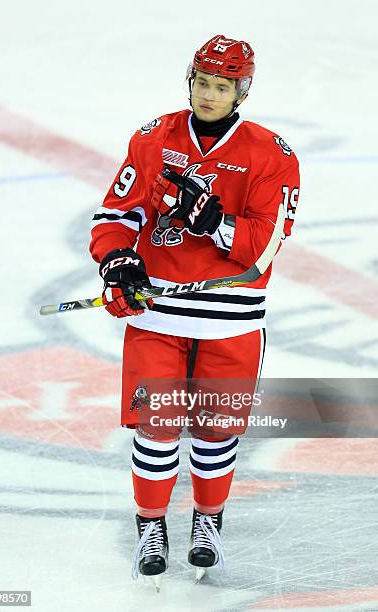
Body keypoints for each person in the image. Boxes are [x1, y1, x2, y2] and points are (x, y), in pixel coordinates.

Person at [89, 34, 300, 588]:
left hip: (230, 321)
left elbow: (267, 244)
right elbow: (116, 213)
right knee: (156, 430)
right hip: (157, 314)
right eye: (202, 82)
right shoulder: (153, 136)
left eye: (222, 86)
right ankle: (151, 529)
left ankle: (207, 524)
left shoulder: (271, 155)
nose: (209, 94)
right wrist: (117, 263)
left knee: (215, 433)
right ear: (191, 81)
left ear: (241, 91)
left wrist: (214, 225)